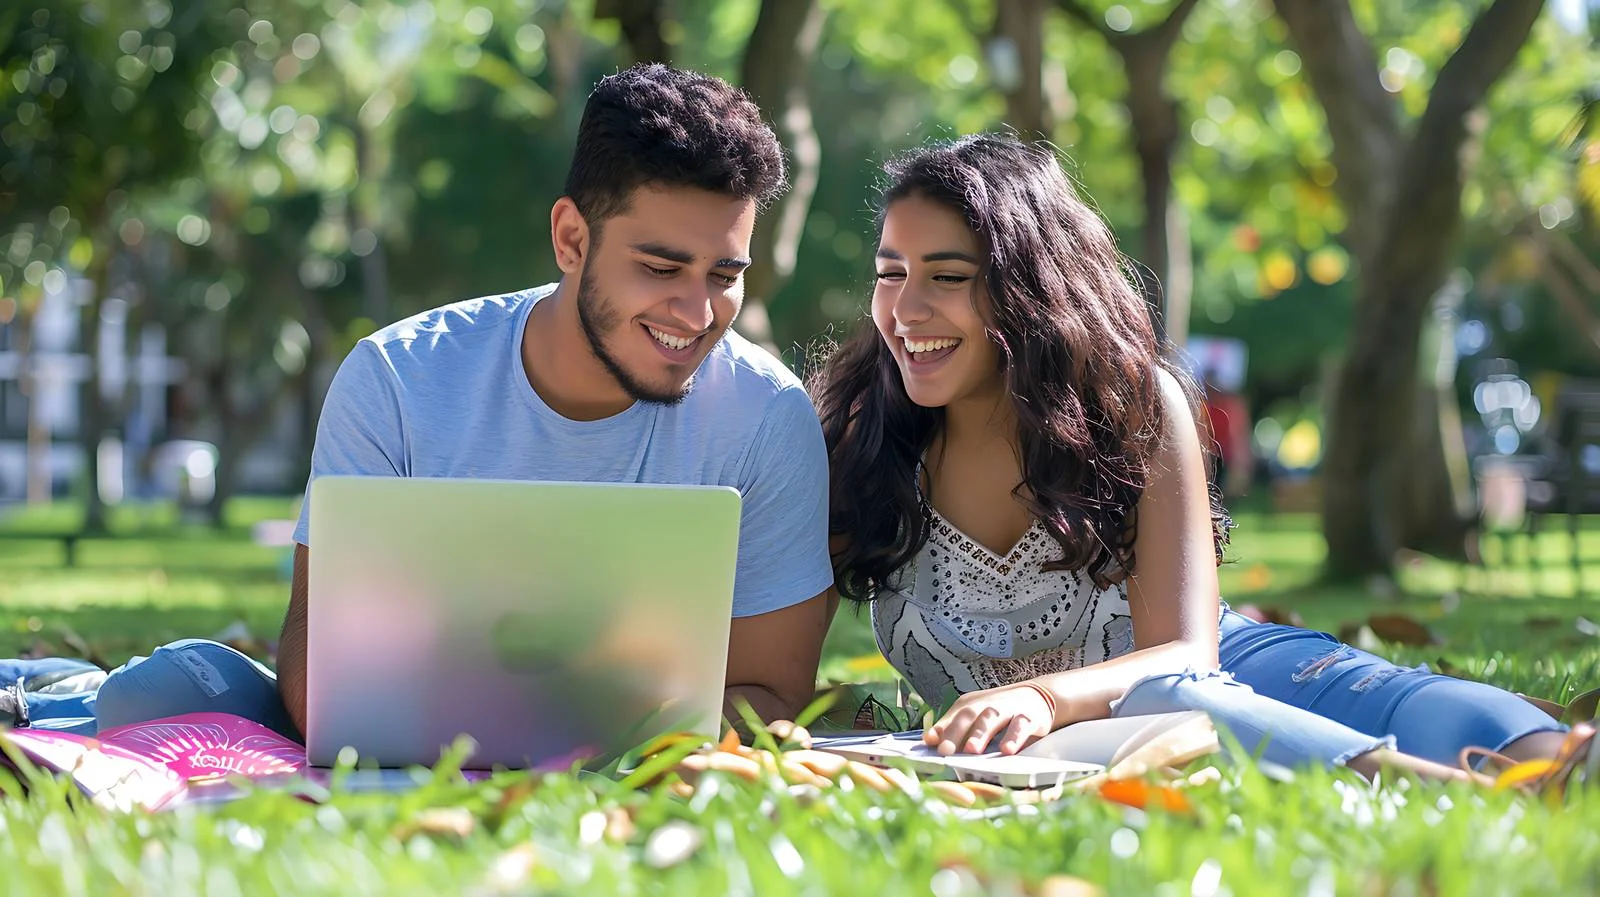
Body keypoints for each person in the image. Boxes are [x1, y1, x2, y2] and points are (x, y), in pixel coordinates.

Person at [2, 64, 834, 744]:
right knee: (149, 699)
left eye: (724, 275)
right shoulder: (399, 378)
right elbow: (316, 677)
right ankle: (48, 693)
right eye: (661, 268)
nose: (697, 314)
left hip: (554, 762)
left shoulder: (766, 418)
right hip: (390, 750)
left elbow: (771, 692)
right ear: (572, 239)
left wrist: (566, 735)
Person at [809, 133, 1595, 788]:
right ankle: (1452, 795)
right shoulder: (856, 440)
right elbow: (766, 673)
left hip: (1214, 676)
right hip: (1076, 746)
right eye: (890, 274)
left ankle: (1561, 769)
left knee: (1416, 708)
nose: (906, 310)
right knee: (1172, 710)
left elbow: (1185, 657)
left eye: (947, 277)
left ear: (1029, 286)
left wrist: (1045, 697)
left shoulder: (1135, 406)